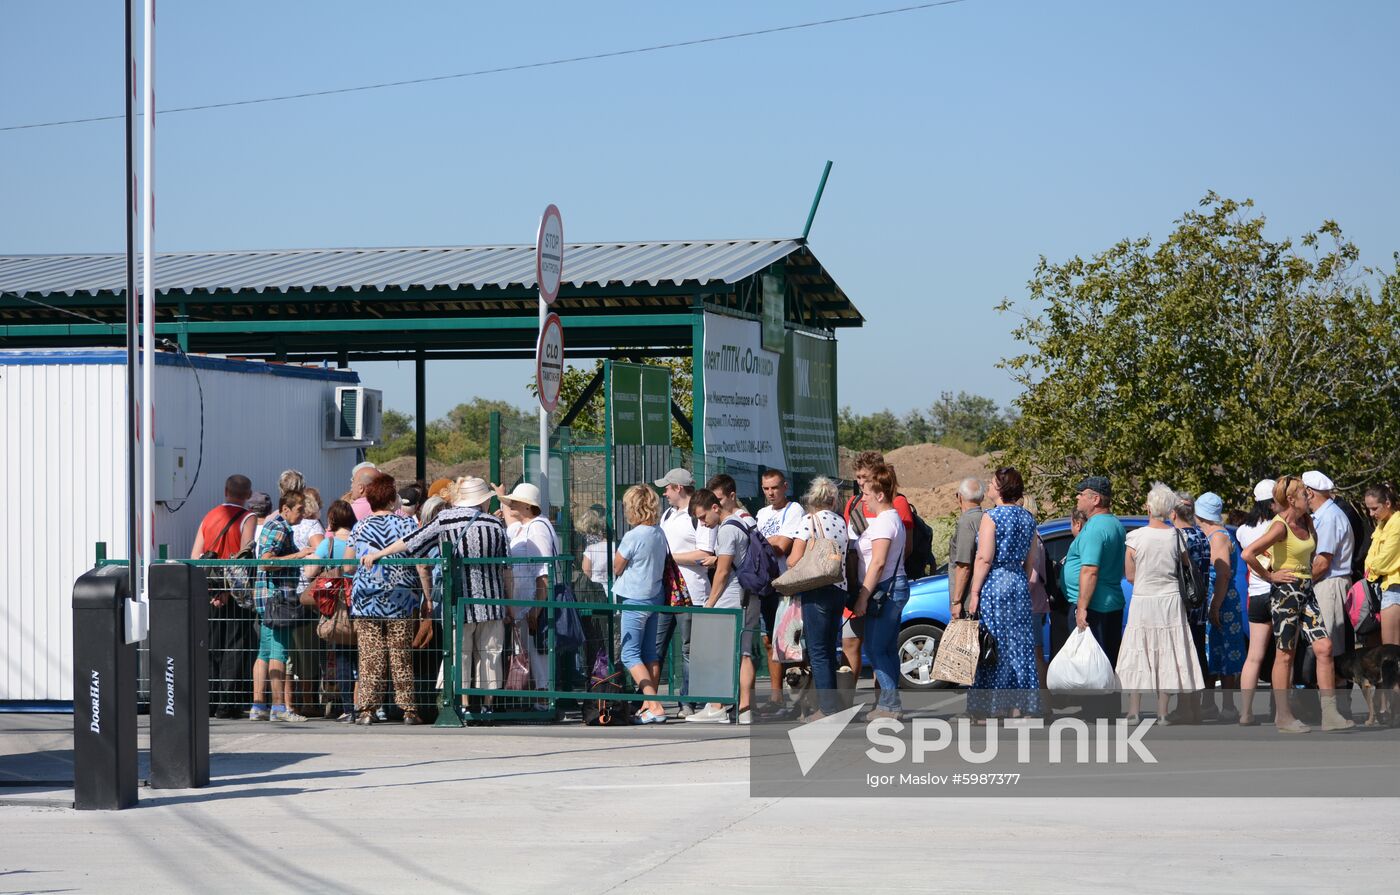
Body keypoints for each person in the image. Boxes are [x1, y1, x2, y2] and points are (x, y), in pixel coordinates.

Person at [376, 477, 511, 718]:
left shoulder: (446, 520)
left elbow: (411, 542)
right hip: (493, 601)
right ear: (483, 501)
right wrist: (508, 604)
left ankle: (465, 704)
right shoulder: (495, 524)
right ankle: (488, 706)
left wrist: (381, 553)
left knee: (461, 653)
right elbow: (507, 568)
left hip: (459, 603)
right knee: (490, 653)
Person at [1241, 475, 1354, 732]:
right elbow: (1249, 553)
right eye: (1304, 493)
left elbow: (1311, 553)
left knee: (1324, 647)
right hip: (1286, 593)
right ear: (1291, 499)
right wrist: (1270, 575)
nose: (1308, 495)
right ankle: (1283, 716)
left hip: (1306, 590)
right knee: (1285, 654)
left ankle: (1330, 713)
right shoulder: (1279, 526)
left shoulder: (1308, 521)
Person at [1119, 483, 1205, 724]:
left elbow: (1131, 575)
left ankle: (1134, 711)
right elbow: (1186, 566)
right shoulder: (1176, 536)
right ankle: (1163, 712)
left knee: (1138, 651)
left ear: (1148, 507)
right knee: (1168, 651)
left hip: (1143, 599)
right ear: (1169, 510)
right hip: (1169, 600)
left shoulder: (1134, 537)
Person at [965, 467, 1041, 721]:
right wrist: (1020, 580)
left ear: (1001, 488)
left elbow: (984, 558)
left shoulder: (992, 517)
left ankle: (994, 706)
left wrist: (974, 591)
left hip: (996, 583)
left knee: (993, 644)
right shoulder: (1028, 518)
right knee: (1019, 646)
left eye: (992, 482)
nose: (988, 485)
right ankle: (1021, 705)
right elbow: (1031, 562)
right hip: (1017, 583)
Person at [350, 473, 426, 725]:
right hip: (400, 598)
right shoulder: (407, 525)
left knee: (370, 655)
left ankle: (368, 709)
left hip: (366, 599)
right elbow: (420, 563)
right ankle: (408, 709)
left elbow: (349, 566)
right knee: (400, 655)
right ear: (392, 500)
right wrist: (426, 597)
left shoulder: (360, 526)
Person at [1056, 475, 1127, 719]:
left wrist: (1082, 607)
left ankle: (1095, 711)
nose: (1077, 498)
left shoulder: (1096, 528)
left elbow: (1090, 569)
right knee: (1105, 659)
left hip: (1096, 605)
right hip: (1109, 602)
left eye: (1081, 494)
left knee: (1092, 662)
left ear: (1095, 499)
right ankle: (1107, 710)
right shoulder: (1114, 523)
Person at [191, 474, 258, 719]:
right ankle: (227, 704)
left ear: (225, 490)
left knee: (211, 646)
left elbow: (196, 554)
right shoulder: (247, 517)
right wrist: (230, 590)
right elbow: (245, 556)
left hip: (208, 590)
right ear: (248, 495)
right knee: (235, 646)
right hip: (233, 592)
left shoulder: (209, 517)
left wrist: (208, 587)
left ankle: (208, 699)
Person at [686, 488, 755, 724]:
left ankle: (717, 705)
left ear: (715, 507)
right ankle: (744, 709)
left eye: (703, 517)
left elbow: (723, 570)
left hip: (732, 596)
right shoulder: (741, 522)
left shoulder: (727, 530)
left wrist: (710, 603)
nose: (703, 524)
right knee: (742, 652)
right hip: (747, 595)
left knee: (722, 652)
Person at [784, 476, 849, 719]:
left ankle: (827, 709)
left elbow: (793, 558)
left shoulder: (808, 521)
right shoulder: (841, 523)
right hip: (839, 588)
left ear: (812, 499)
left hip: (817, 589)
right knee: (831, 650)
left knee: (818, 651)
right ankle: (832, 703)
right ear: (833, 500)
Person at [849, 463, 909, 721]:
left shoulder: (884, 522)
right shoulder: (893, 518)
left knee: (874, 649)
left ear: (880, 495)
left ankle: (891, 705)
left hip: (884, 589)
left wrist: (862, 597)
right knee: (885, 648)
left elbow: (878, 563)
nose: (865, 499)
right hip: (893, 587)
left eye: (868, 494)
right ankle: (889, 703)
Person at [250, 490, 315, 723]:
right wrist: (300, 555)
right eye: (299, 510)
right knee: (279, 650)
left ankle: (259, 705)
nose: (302, 514)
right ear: (285, 509)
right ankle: (278, 706)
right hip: (277, 599)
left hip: (266, 598)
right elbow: (267, 562)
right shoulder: (278, 528)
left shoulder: (273, 525)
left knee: (265, 651)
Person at [655, 469, 712, 716]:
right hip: (666, 592)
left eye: (667, 487)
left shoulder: (697, 516)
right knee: (656, 647)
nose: (664, 492)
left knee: (689, 650)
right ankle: (648, 701)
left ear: (678, 488)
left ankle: (687, 702)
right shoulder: (667, 514)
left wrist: (670, 558)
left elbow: (704, 554)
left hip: (692, 593)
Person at [613, 484, 670, 723]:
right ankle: (649, 704)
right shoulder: (658, 532)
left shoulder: (634, 535)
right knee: (649, 653)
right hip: (655, 595)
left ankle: (654, 704)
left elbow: (617, 566)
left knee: (629, 654)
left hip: (635, 598)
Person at [755, 469, 804, 712]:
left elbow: (782, 547)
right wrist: (769, 541)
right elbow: (763, 545)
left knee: (792, 641)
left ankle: (798, 695)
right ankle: (776, 698)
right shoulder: (762, 513)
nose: (770, 493)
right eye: (766, 488)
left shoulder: (794, 510)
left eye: (774, 487)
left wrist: (763, 541)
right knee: (768, 639)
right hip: (767, 584)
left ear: (785, 486)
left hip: (787, 584)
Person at [305, 499, 358, 721]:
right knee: (363, 657)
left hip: (335, 607)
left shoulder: (327, 545)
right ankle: (366, 705)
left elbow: (309, 573)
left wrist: (308, 558)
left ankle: (347, 707)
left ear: (332, 519)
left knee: (343, 656)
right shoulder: (359, 539)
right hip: (359, 602)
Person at [501, 483, 554, 699]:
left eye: (515, 500)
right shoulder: (524, 526)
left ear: (527, 506)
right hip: (523, 604)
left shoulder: (538, 527)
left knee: (536, 651)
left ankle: (543, 697)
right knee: (527, 651)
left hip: (531, 603)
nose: (510, 504)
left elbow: (544, 572)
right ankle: (534, 696)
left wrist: (537, 609)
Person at [1195, 492, 1246, 723]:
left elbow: (1223, 574)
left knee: (1224, 651)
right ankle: (1210, 704)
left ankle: (1227, 706)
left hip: (1221, 599)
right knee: (1213, 652)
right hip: (1220, 598)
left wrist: (1215, 605)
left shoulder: (1217, 537)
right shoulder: (1218, 534)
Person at [1235, 479, 1278, 725]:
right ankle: (1279, 708)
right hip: (1277, 590)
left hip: (1256, 594)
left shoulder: (1243, 529)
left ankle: (1246, 712)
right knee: (1283, 654)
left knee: (1254, 656)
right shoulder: (1279, 525)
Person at [1168, 492, 1212, 724]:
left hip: (1183, 605)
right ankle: (1195, 707)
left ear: (1173, 513)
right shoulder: (1201, 535)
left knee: (1182, 656)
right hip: (1200, 603)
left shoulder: (1178, 537)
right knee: (1196, 656)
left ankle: (1184, 707)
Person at [1304, 471, 1354, 666]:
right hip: (1327, 584)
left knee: (1330, 650)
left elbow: (1322, 562)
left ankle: (1336, 695)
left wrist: (1303, 581)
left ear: (1309, 492)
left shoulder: (1329, 518)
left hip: (1330, 585)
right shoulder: (1325, 515)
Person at [1363, 484, 1400, 647]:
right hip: (1385, 586)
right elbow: (1370, 557)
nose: (1371, 513)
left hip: (1394, 587)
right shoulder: (1383, 524)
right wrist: (1371, 567)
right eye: (1368, 509)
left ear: (1387, 503)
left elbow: (1383, 560)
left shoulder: (1397, 525)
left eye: (1374, 508)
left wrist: (1372, 568)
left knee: (1390, 648)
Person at [949, 478, 986, 620]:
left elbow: (964, 565)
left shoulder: (966, 523)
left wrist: (957, 601)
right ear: (982, 497)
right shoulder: (987, 518)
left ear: (960, 497)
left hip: (967, 601)